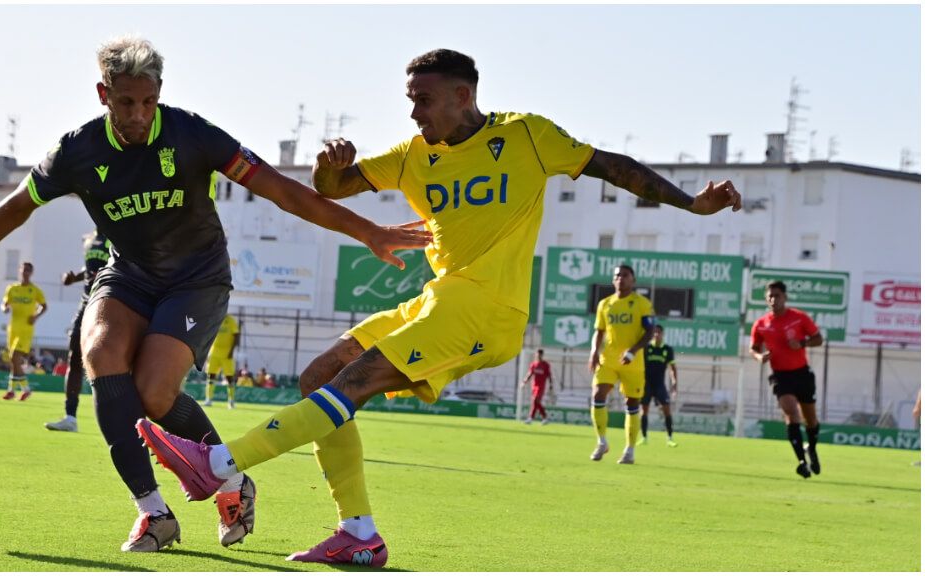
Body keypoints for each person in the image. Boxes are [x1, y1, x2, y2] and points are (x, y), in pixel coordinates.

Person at [136, 48, 741, 567]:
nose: (413, 111)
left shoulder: (527, 135)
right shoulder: (412, 154)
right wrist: (330, 168)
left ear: (463, 95)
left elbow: (611, 165)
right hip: (438, 299)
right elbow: (337, 189)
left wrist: (691, 203)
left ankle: (218, 463)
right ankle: (360, 536)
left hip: (489, 309)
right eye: (410, 100)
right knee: (321, 374)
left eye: (423, 99)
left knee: (354, 381)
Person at [0, 36, 428, 554]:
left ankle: (232, 485)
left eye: (148, 102)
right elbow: (16, 206)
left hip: (197, 279)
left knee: (156, 391)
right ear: (103, 94)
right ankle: (154, 513)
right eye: (125, 102)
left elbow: (283, 191)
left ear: (160, 94)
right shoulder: (77, 150)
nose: (138, 115)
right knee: (99, 354)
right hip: (130, 274)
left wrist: (368, 231)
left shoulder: (193, 135)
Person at [750, 280, 824, 478]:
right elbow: (754, 348)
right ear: (766, 299)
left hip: (802, 373)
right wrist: (759, 357)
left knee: (811, 419)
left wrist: (801, 343)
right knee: (791, 412)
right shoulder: (761, 324)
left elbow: (818, 339)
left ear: (785, 297)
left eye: (777, 295)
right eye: (770, 296)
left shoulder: (799, 317)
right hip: (780, 376)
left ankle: (812, 449)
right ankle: (801, 461)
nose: (773, 299)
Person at [588, 264, 655, 465]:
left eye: (625, 276)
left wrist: (633, 351)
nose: (621, 279)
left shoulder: (642, 304)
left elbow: (650, 332)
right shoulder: (605, 304)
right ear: (612, 280)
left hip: (633, 362)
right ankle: (601, 442)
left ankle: (629, 450)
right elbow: (599, 331)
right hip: (608, 359)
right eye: (617, 276)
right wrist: (593, 351)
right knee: (598, 395)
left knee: (632, 403)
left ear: (633, 280)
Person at [46, 229, 111, 433]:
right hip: (85, 302)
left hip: (108, 302)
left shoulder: (117, 232)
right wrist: (74, 277)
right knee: (74, 357)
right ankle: (70, 417)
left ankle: (116, 419)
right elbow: (91, 268)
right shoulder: (89, 238)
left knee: (106, 361)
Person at [0, 262, 47, 401]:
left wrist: (36, 316)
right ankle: (12, 390)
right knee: (14, 361)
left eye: (28, 270)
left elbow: (44, 306)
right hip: (12, 328)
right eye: (23, 270)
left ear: (31, 273)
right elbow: (4, 303)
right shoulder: (12, 288)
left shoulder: (35, 290)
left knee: (15, 357)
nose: (25, 272)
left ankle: (24, 389)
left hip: (26, 329)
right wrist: (4, 308)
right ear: (19, 271)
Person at [641, 324, 679, 446]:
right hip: (646, 384)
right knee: (644, 410)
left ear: (662, 334)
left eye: (659, 332)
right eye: (655, 332)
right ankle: (644, 437)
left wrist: (674, 382)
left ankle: (670, 438)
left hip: (659, 385)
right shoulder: (646, 348)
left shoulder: (667, 349)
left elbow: (672, 368)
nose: (656, 335)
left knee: (667, 409)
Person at [203, 313, 240, 409]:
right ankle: (208, 399)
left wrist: (231, 351)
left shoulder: (231, 320)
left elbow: (236, 336)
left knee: (229, 378)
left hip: (227, 354)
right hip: (214, 353)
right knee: (210, 376)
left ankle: (231, 401)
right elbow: (208, 336)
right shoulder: (214, 318)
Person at [521, 349, 552, 424]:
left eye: (540, 355)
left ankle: (531, 418)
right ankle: (544, 418)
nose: (538, 356)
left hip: (541, 386)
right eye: (537, 354)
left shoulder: (545, 365)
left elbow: (549, 375)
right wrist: (524, 382)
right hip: (534, 386)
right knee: (535, 402)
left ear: (542, 355)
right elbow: (530, 374)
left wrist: (551, 384)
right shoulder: (533, 364)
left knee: (535, 400)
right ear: (536, 355)